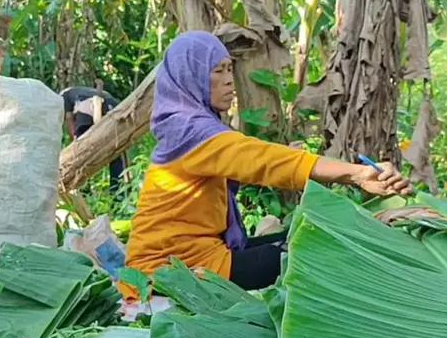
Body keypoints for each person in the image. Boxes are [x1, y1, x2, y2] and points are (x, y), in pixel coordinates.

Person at [122, 31, 412, 296]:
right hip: (166, 273)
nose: (228, 80)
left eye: (229, 69)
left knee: (310, 232)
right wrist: (356, 174)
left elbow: (251, 158)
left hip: (199, 254)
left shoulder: (188, 128)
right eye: (217, 71)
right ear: (191, 77)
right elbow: (267, 162)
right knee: (315, 249)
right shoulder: (191, 132)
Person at [60, 84, 127, 195]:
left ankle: (84, 190)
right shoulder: (83, 90)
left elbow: (69, 118)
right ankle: (118, 193)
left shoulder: (63, 96)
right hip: (113, 105)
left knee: (82, 154)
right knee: (116, 150)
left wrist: (75, 142)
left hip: (87, 110)